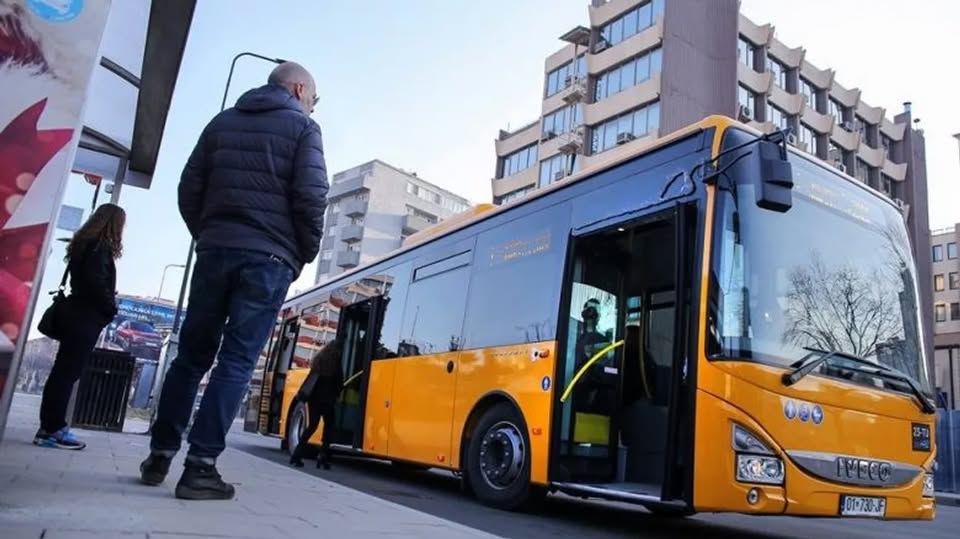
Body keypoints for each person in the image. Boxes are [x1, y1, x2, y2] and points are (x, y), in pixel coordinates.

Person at [140, 61, 328, 500]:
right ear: (300, 89)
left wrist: (209, 234)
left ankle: (159, 456)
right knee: (237, 361)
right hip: (268, 258)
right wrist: (301, 251)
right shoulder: (303, 129)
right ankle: (200, 467)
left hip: (215, 251)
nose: (313, 108)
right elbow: (312, 195)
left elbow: (189, 187)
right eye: (314, 100)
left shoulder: (221, 122)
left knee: (190, 357)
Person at [35, 203, 125, 450]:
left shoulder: (82, 245)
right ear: (114, 225)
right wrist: (110, 306)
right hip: (86, 316)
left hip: (74, 311)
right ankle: (52, 429)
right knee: (67, 373)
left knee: (62, 371)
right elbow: (96, 283)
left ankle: (50, 426)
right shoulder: (99, 249)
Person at [289, 339, 343, 470]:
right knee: (329, 427)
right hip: (328, 401)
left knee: (311, 427)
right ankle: (323, 457)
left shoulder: (318, 360)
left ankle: (296, 455)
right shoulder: (335, 363)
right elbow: (339, 381)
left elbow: (311, 379)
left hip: (314, 399)